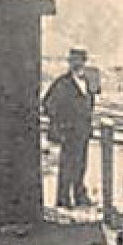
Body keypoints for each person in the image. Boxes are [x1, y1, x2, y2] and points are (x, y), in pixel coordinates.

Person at [42, 47, 99, 208]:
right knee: (67, 166)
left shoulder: (88, 82)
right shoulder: (62, 83)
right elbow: (47, 104)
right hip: (68, 131)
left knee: (81, 165)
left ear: (84, 62)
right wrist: (60, 123)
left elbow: (89, 104)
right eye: (73, 61)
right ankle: (63, 199)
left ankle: (80, 196)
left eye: (79, 60)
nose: (76, 64)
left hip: (83, 131)